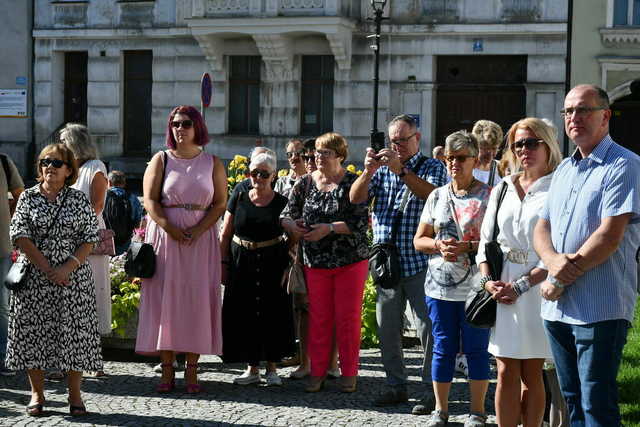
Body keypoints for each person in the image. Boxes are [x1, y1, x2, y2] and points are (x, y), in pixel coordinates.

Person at [533, 84, 640, 426]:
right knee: (573, 403)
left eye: (583, 110)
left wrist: (560, 278)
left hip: (600, 307)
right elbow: (541, 229)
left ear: (605, 116)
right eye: (568, 111)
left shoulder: (624, 165)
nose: (574, 118)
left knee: (597, 404)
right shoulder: (564, 169)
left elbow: (609, 237)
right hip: (558, 309)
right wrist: (552, 263)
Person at [350, 114, 446, 414]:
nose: (397, 145)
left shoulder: (432, 167)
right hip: (386, 264)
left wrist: (401, 171)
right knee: (387, 329)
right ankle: (395, 385)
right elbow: (355, 199)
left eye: (402, 140)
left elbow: (436, 198)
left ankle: (432, 390)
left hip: (420, 261)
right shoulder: (380, 169)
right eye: (393, 140)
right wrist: (367, 172)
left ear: (417, 138)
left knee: (427, 329)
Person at [477, 118, 562, 427]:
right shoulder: (503, 187)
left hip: (540, 287)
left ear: (547, 145)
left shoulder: (559, 186)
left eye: (531, 142)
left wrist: (523, 285)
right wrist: (488, 283)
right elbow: (486, 243)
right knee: (504, 370)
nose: (524, 150)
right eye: (518, 144)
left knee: (532, 372)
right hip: (502, 286)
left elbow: (559, 248)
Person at [136, 105, 227, 394]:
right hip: (166, 238)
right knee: (167, 299)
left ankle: (192, 368)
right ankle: (166, 367)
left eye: (186, 123)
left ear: (197, 126)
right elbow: (150, 200)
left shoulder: (213, 162)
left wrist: (199, 229)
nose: (180, 128)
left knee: (197, 300)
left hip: (201, 241)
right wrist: (169, 227)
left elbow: (220, 203)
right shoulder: (161, 159)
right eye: (175, 124)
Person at [6, 143, 102, 416]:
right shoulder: (28, 197)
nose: (50, 167)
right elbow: (19, 234)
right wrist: (48, 268)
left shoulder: (78, 199)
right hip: (34, 278)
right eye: (45, 162)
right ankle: (37, 394)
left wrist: (66, 268)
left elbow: (89, 238)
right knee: (32, 336)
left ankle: (75, 395)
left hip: (73, 280)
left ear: (69, 169)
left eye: (57, 163)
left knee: (74, 337)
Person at [413, 130, 491, 427]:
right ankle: (440, 410)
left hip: (475, 287)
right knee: (442, 347)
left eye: (461, 158)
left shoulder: (488, 195)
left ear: (474, 160)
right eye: (449, 158)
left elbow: (495, 243)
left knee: (476, 349)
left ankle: (477, 411)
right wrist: (438, 245)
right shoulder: (437, 195)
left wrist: (468, 247)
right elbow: (419, 240)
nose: (454, 163)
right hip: (439, 286)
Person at [281, 132, 369, 393]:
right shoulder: (305, 183)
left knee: (348, 319)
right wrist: (291, 225)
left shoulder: (353, 182)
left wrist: (329, 228)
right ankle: (317, 374)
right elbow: (286, 214)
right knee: (318, 319)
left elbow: (359, 223)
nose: (317, 157)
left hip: (350, 261)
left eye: (324, 153)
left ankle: (349, 374)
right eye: (316, 153)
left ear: (340, 156)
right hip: (315, 262)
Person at [220, 151, 295, 386]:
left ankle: (272, 368)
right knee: (245, 313)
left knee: (272, 313)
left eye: (264, 174)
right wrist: (223, 264)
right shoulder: (239, 196)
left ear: (272, 176)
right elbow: (225, 233)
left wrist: (289, 264)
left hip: (273, 260)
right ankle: (251, 368)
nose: (258, 178)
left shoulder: (281, 202)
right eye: (254, 173)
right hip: (241, 260)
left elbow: (293, 236)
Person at [61, 123, 110, 378]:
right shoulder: (68, 170)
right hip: (66, 239)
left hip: (86, 238)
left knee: (90, 296)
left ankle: (93, 359)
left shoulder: (94, 168)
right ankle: (67, 360)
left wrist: (73, 225)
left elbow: (98, 204)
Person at [0, 153, 24, 377]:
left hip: (1, 247)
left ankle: (4, 357)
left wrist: (9, 216)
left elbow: (20, 196)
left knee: (2, 306)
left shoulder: (4, 161)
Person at [104, 170, 143, 256]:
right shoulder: (133, 198)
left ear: (109, 182)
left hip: (105, 239)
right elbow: (138, 220)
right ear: (124, 183)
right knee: (122, 264)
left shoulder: (103, 197)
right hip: (125, 239)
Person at [471, 120, 503, 187]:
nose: (490, 153)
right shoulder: (464, 167)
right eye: (486, 148)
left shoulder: (501, 168)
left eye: (494, 148)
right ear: (475, 146)